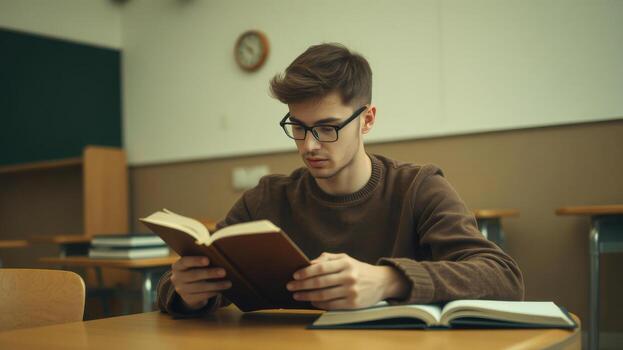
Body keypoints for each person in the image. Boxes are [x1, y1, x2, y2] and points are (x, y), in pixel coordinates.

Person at [157, 43, 524, 317]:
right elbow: (179, 287)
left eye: (328, 128)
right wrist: (187, 293)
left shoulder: (419, 187)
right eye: (298, 128)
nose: (309, 145)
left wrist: (387, 280)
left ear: (367, 119)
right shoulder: (266, 199)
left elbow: (504, 278)